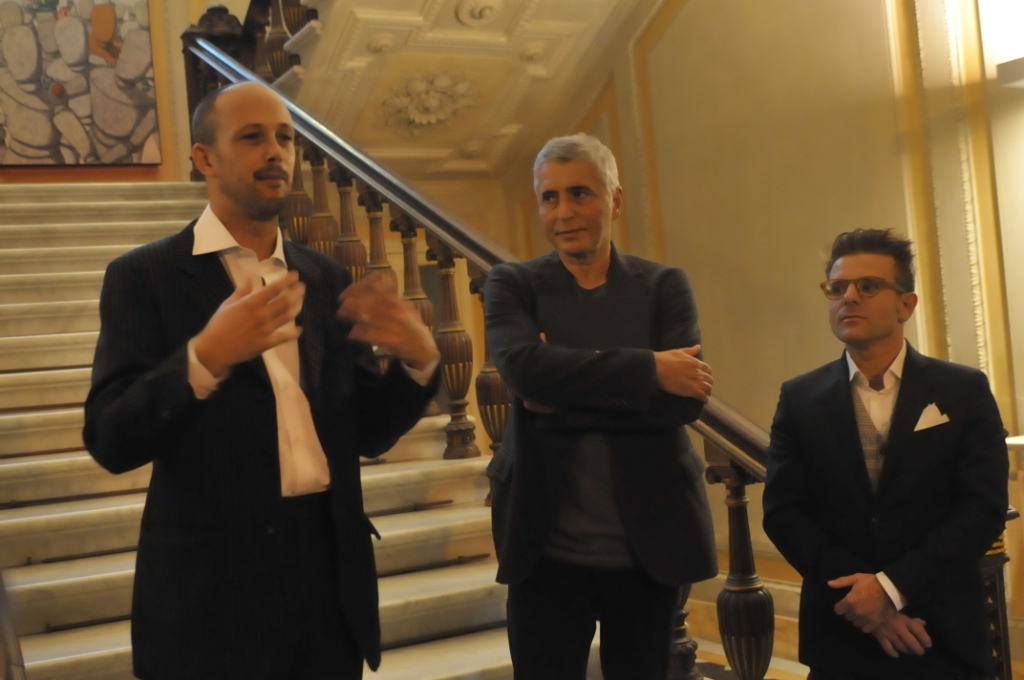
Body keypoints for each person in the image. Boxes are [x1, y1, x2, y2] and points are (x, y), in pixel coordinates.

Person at [83, 82, 439, 680]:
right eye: (252, 137)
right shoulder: (144, 276)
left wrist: (418, 362)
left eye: (285, 138)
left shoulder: (325, 277)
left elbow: (367, 432)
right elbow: (110, 438)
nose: (276, 151)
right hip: (212, 593)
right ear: (205, 158)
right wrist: (205, 356)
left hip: (326, 583)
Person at [484, 133, 718, 680]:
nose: (563, 212)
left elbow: (682, 405)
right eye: (550, 197)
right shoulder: (513, 284)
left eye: (580, 194)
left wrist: (557, 390)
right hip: (544, 547)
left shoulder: (664, 286)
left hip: (646, 546)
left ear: (614, 201)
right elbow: (523, 371)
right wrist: (650, 369)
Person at [762, 229, 1008, 680]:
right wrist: (867, 603)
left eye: (868, 286)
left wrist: (893, 589)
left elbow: (982, 506)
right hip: (840, 633)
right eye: (837, 288)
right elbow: (784, 513)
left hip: (940, 630)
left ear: (905, 305)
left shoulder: (962, 389)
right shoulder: (800, 398)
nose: (849, 297)